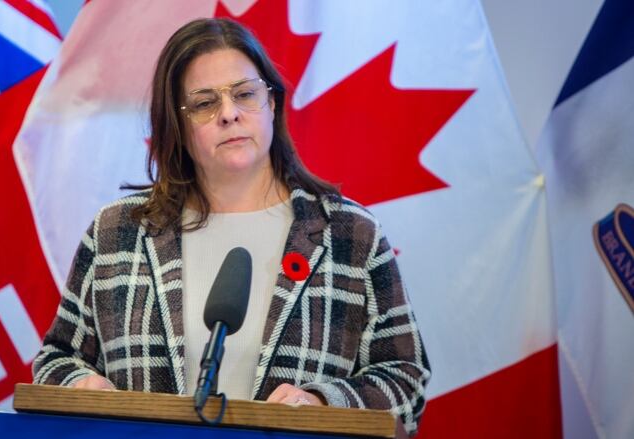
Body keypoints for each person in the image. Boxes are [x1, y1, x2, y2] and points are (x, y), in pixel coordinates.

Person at [33, 17, 430, 436]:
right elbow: (57, 358)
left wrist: (320, 402)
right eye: (204, 103)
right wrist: (81, 385)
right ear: (178, 126)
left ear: (272, 104)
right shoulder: (117, 233)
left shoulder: (349, 234)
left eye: (244, 94)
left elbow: (405, 378)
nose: (229, 114)